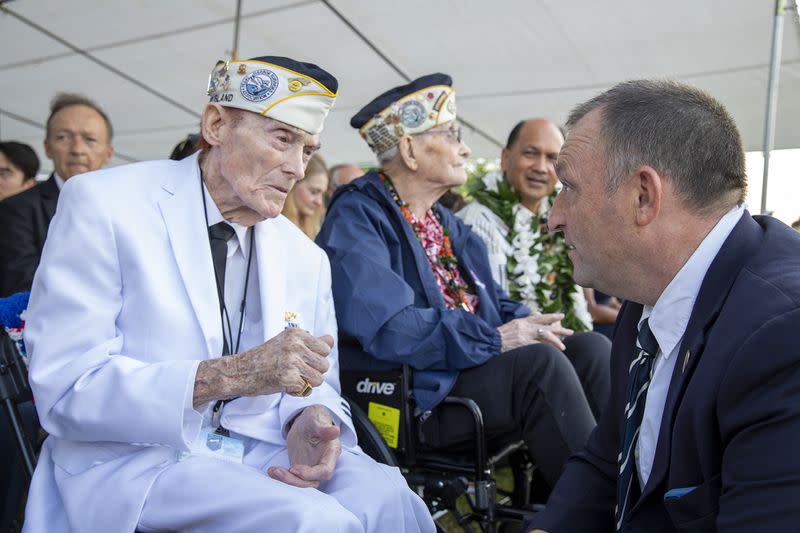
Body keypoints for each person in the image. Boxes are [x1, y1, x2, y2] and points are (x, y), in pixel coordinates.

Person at [23, 55, 433, 533]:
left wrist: (309, 418)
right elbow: (66, 387)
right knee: (312, 521)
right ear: (216, 124)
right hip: (135, 460)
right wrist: (226, 376)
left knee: (391, 499)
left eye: (307, 149)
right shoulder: (105, 204)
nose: (297, 168)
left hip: (259, 450)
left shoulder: (305, 256)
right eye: (283, 139)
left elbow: (318, 380)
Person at [525, 80, 800, 533]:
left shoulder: (783, 336)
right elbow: (609, 457)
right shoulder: (648, 292)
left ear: (643, 196)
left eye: (569, 188)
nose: (554, 216)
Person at [317, 74, 611, 490]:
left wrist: (529, 322)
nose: (466, 148)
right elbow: (391, 328)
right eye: (451, 135)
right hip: (422, 396)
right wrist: (495, 338)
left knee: (588, 347)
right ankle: (596, 509)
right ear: (410, 150)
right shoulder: (358, 217)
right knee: (538, 367)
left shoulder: (448, 224)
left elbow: (494, 304)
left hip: (468, 371)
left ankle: (622, 486)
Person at [459, 118, 616, 332]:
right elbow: (486, 313)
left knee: (594, 345)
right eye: (530, 154)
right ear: (505, 158)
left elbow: (577, 304)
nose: (541, 167)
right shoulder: (474, 222)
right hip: (507, 343)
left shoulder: (562, 220)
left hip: (557, 338)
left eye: (552, 158)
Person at [0, 93, 114, 296]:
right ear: (47, 148)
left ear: (108, 153)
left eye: (90, 140)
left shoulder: (128, 210)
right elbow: (22, 284)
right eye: (63, 137)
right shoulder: (15, 210)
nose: (77, 149)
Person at [283, 153, 328, 238]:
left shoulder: (316, 228)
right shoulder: (271, 225)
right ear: (293, 185)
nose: (319, 202)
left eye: (322, 194)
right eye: (314, 192)